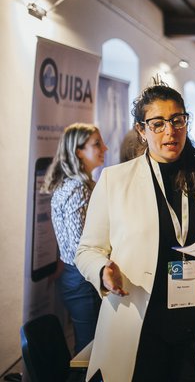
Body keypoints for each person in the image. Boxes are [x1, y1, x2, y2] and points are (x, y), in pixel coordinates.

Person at [75, 83, 195, 382]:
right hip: (138, 322)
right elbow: (88, 249)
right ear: (142, 130)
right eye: (157, 124)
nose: (170, 131)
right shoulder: (114, 181)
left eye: (177, 120)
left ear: (185, 122)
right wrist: (102, 270)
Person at [42, 123, 106, 353]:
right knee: (90, 351)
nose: (105, 148)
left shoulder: (77, 184)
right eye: (97, 144)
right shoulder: (78, 187)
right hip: (81, 277)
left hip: (77, 276)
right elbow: (82, 244)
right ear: (78, 151)